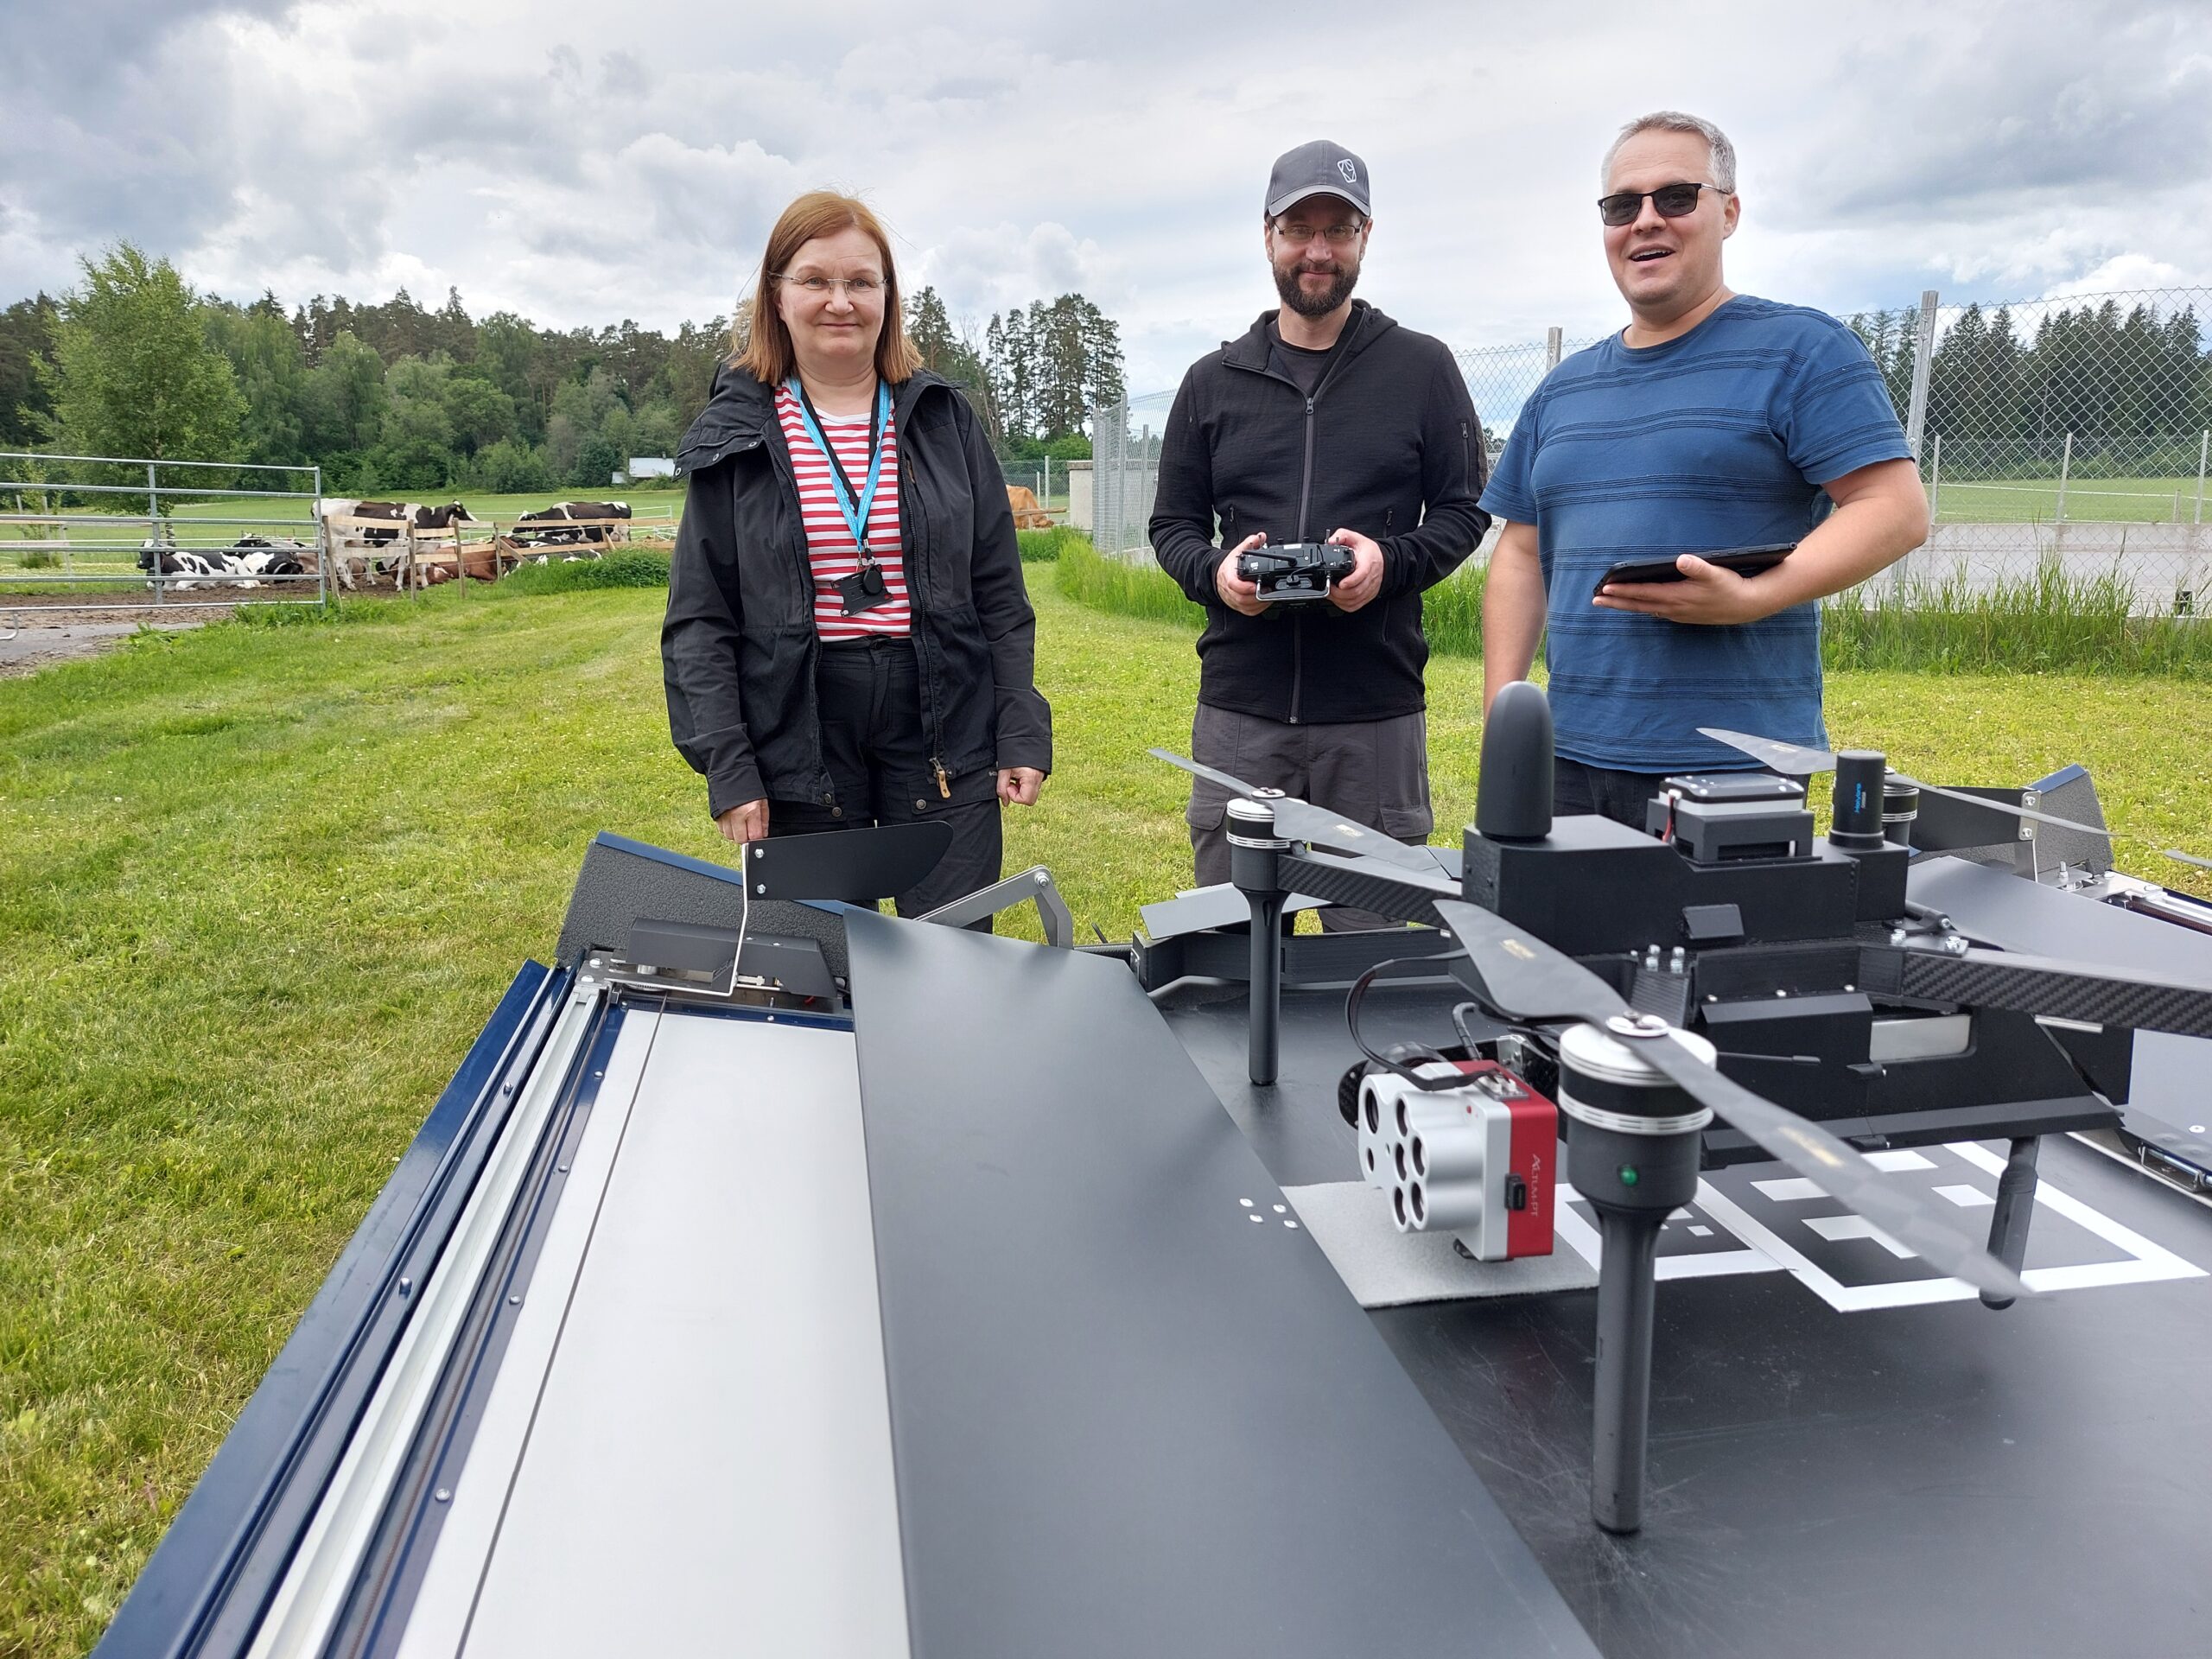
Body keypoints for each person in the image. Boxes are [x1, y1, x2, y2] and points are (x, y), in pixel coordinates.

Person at [1479, 111, 1929, 827]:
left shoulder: (1803, 350)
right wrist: (1506, 720)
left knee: (1720, 942)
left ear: (1729, 212)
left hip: (1734, 767)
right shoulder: (1564, 390)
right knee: (1558, 943)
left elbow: (1894, 509)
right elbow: (1520, 552)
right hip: (1566, 763)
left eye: (1676, 198)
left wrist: (1758, 595)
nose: (1646, 221)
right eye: (1622, 206)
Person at [663, 190, 1052, 918]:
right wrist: (730, 766)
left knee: (953, 961)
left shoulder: (944, 421)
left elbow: (999, 590)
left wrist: (1020, 724)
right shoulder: (736, 436)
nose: (839, 301)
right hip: (798, 730)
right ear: (777, 297)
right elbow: (700, 621)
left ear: (887, 297)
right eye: (814, 280)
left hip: (944, 722)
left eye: (861, 282)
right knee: (822, 969)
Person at [1149, 140, 1489, 924]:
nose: (1318, 250)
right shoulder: (1212, 381)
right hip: (1242, 711)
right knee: (1230, 949)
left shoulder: (1421, 368)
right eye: (1299, 228)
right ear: (1267, 235)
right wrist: (1218, 575)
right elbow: (1172, 524)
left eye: (1339, 230)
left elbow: (1465, 510)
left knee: (1366, 961)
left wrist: (1388, 562)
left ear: (1366, 237)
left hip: (1373, 715)